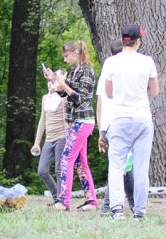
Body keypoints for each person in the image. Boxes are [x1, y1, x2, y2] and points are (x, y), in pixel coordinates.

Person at [101, 23, 159, 219]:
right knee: (141, 167)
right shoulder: (147, 61)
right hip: (142, 117)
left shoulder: (111, 62)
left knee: (116, 166)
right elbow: (155, 91)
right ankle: (139, 211)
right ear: (138, 41)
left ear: (122, 39)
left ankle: (117, 209)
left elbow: (108, 93)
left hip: (120, 118)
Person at [50, 40, 98, 211]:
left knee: (66, 160)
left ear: (76, 52)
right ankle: (92, 201)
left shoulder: (86, 71)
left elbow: (80, 98)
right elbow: (66, 94)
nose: (65, 60)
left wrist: (62, 83)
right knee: (80, 163)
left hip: (83, 120)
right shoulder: (73, 70)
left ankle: (64, 201)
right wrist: (55, 82)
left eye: (66, 56)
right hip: (75, 121)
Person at [96, 39, 134, 214]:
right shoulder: (126, 74)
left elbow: (99, 107)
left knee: (124, 165)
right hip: (121, 122)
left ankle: (132, 203)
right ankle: (109, 205)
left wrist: (101, 131)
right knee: (121, 166)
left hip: (108, 124)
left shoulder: (106, 73)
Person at [30, 70, 69, 205]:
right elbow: (42, 120)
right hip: (49, 138)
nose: (50, 82)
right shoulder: (45, 98)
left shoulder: (64, 97)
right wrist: (37, 142)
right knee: (42, 170)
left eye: (55, 78)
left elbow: (61, 86)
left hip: (62, 136)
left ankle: (61, 201)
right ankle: (56, 197)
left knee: (59, 169)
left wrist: (56, 80)